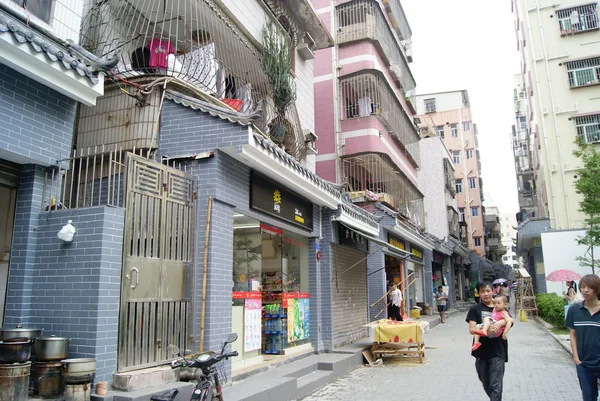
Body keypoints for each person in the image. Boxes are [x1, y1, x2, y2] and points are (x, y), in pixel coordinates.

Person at [466, 282, 512, 401]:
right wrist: (483, 329)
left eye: (488, 291)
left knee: (496, 384)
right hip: (481, 351)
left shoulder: (500, 306)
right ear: (478, 293)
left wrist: (499, 323)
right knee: (486, 382)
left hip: (498, 350)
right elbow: (472, 329)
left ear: (493, 291)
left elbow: (510, 320)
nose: (486, 294)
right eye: (482, 291)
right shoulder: (475, 309)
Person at [565, 274, 600, 401]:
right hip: (583, 362)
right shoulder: (574, 310)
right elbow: (573, 334)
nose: (585, 290)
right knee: (588, 397)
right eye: (583, 287)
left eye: (589, 287)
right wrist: (576, 358)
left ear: (597, 289)